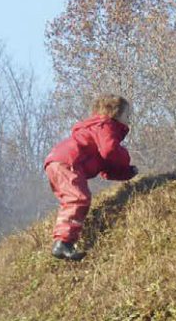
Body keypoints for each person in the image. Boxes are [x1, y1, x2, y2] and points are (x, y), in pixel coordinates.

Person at [44, 94, 137, 261]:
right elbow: (110, 151)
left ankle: (65, 240)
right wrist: (125, 157)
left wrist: (126, 172)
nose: (129, 120)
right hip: (68, 161)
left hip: (58, 161)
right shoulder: (106, 126)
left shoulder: (98, 131)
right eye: (127, 115)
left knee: (72, 199)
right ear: (114, 113)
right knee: (78, 199)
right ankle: (63, 242)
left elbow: (105, 166)